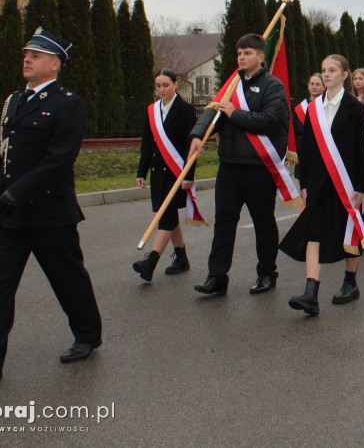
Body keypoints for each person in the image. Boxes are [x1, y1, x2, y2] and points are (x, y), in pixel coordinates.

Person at [0, 29, 102, 393]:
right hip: (11, 213)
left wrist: (18, 192)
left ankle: (88, 335)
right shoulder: (14, 101)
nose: (27, 58)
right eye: (26, 53)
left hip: (50, 212)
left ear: (54, 63)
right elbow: (5, 151)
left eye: (35, 54)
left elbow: (60, 159)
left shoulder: (69, 103)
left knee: (68, 277)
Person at [190, 33, 290, 298]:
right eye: (239, 53)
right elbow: (212, 112)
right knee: (224, 222)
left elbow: (271, 120)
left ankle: (267, 273)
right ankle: (216, 277)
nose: (242, 57)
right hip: (230, 166)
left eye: (247, 53)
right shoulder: (232, 85)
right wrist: (198, 136)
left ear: (260, 57)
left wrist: (236, 114)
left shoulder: (273, 87)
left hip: (259, 167)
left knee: (263, 222)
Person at [281, 55, 364, 315]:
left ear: (344, 74)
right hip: (318, 181)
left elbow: (360, 150)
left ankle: (350, 282)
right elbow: (306, 147)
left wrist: (362, 186)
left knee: (347, 230)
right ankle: (311, 291)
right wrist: (304, 182)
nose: (326, 74)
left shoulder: (354, 107)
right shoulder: (313, 108)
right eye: (323, 70)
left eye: (332, 70)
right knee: (314, 231)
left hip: (346, 182)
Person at [133, 70, 198, 282]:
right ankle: (181, 258)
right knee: (169, 216)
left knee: (165, 215)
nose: (162, 90)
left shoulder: (186, 110)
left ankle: (150, 262)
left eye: (166, 85)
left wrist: (189, 174)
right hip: (157, 173)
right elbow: (147, 143)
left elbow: (192, 145)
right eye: (158, 86)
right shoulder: (152, 110)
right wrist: (141, 171)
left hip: (177, 173)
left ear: (175, 84)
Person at [293, 73, 325, 156]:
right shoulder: (299, 108)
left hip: (321, 153)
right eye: (312, 84)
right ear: (308, 86)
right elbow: (294, 131)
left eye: (318, 84)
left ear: (324, 87)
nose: (314, 87)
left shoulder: (327, 107)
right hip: (302, 153)